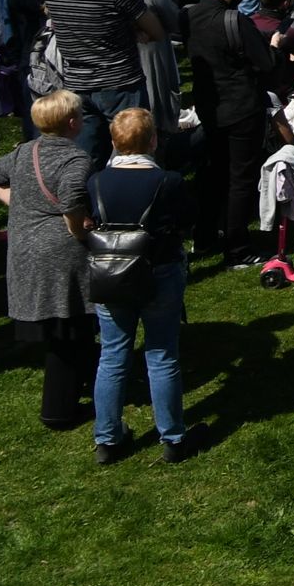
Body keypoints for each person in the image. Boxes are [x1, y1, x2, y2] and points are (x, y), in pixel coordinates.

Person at [79, 104, 195, 463]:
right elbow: (188, 222)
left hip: (110, 274)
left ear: (113, 141)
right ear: (154, 140)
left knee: (112, 355)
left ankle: (108, 438)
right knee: (161, 354)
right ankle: (173, 437)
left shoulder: (96, 181)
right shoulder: (168, 181)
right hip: (159, 271)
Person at [0, 89, 100, 430]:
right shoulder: (76, 159)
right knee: (67, 331)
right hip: (61, 253)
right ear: (72, 124)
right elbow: (70, 203)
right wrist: (82, 232)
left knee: (66, 331)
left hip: (25, 249)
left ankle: (86, 381)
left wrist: (20, 205)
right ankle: (58, 411)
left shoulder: (24, 151)